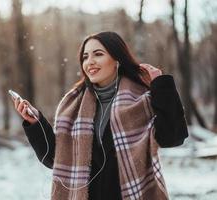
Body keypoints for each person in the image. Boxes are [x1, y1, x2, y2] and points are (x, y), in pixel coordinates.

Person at [11, 31, 188, 200]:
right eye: (85, 57)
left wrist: (161, 84)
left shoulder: (141, 100)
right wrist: (36, 124)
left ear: (117, 59)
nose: (90, 62)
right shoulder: (73, 106)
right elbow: (55, 159)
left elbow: (172, 138)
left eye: (98, 54)